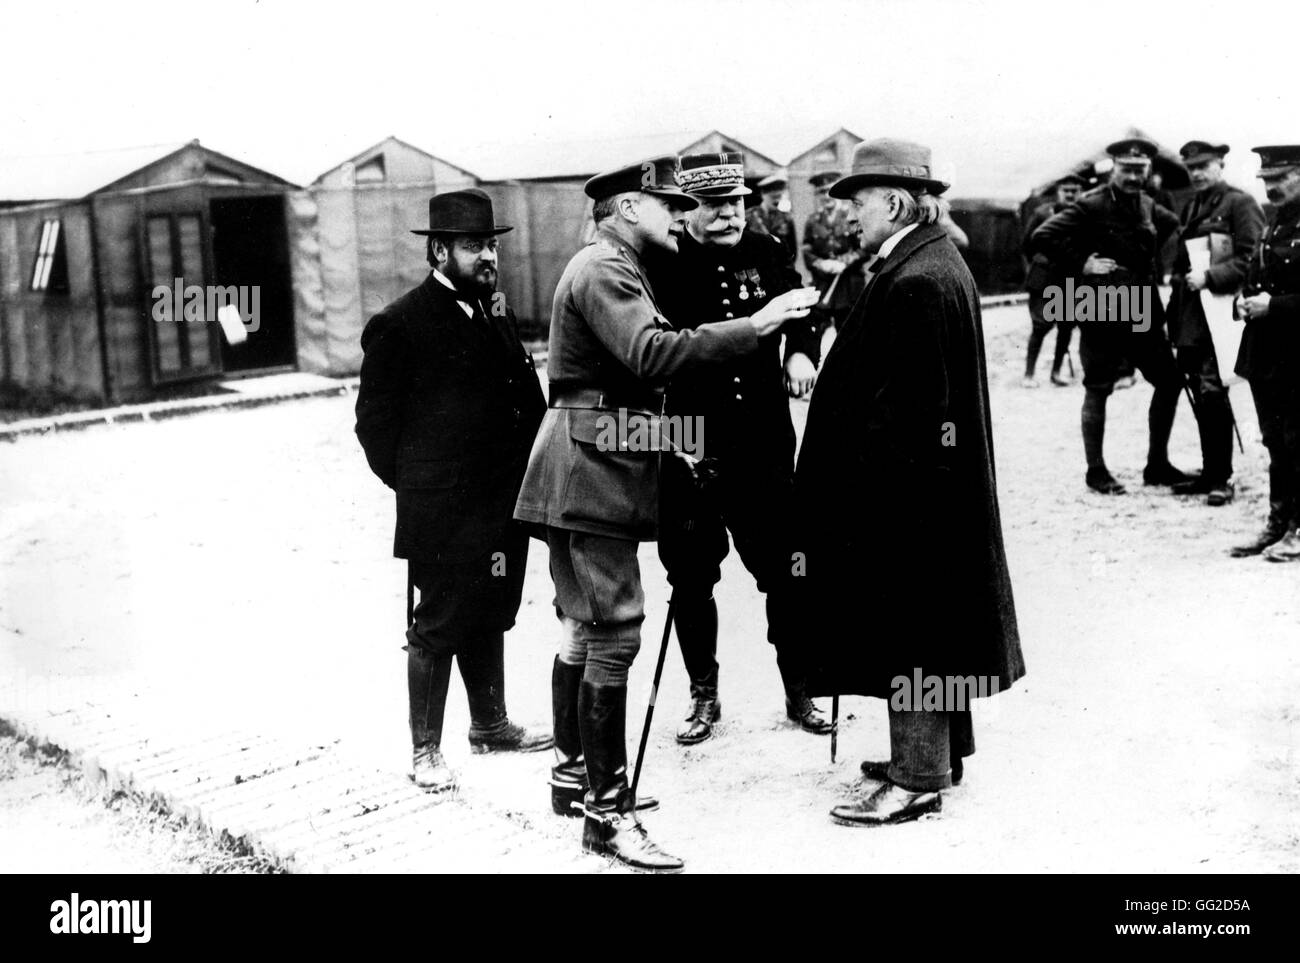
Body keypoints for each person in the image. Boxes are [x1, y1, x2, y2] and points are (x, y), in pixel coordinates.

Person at [513, 155, 813, 871]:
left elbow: (610, 384)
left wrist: (671, 444)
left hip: (588, 461)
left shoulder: (608, 265)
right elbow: (651, 355)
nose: (681, 216)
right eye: (666, 205)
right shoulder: (607, 270)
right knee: (613, 630)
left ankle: (576, 778)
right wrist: (759, 323)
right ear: (624, 208)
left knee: (587, 627)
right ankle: (607, 814)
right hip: (589, 471)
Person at [793, 138, 1024, 826]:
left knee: (913, 622)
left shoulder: (916, 278)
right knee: (929, 621)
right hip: (931, 490)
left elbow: (911, 416)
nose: (849, 220)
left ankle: (917, 774)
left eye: (857, 204)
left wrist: (863, 488)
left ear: (894, 203)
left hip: (910, 494)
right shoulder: (928, 260)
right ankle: (932, 755)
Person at [355, 189, 551, 794]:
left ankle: (490, 725)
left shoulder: (494, 312)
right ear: (438, 251)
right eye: (474, 246)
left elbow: (522, 397)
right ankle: (426, 752)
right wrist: (420, 486)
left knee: (489, 606)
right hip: (441, 508)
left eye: (491, 244)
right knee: (438, 621)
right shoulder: (400, 323)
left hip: (501, 502)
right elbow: (374, 428)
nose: (488, 256)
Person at [642, 151, 830, 746]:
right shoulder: (662, 263)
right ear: (685, 209)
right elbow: (652, 347)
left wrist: (802, 348)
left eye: (736, 202)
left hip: (763, 442)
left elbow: (803, 306)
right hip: (690, 444)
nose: (727, 214)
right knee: (691, 578)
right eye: (711, 204)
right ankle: (704, 695)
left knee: (786, 571)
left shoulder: (767, 250)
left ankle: (800, 689)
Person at [1029, 138, 1190, 495]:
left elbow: (1176, 226)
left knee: (1169, 380)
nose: (1134, 177)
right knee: (1098, 387)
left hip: (1142, 308)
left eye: (1140, 170)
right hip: (1102, 306)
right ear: (1113, 168)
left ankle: (1157, 465)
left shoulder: (1148, 205)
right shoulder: (1090, 205)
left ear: (1148, 171)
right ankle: (1096, 471)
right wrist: (1082, 262)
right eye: (1127, 169)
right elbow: (1042, 236)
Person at [1166, 141, 1266, 507]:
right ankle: (1212, 472)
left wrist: (1210, 277)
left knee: (1215, 391)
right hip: (1195, 318)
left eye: (1204, 166)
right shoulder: (1192, 207)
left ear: (1221, 165)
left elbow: (1253, 258)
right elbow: (1181, 266)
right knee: (1203, 394)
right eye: (1191, 168)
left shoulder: (1239, 204)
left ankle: (1220, 478)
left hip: (1224, 315)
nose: (1197, 173)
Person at [1231, 145, 1300, 561]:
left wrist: (1274, 307)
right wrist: (1246, 300)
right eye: (1267, 181)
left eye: (1281, 179)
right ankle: (1278, 523)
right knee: (1276, 441)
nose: (1271, 188)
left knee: (1299, 441)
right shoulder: (1274, 222)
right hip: (1266, 352)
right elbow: (1260, 274)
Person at [1022, 174, 1085, 387]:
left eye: (1074, 190)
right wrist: (1043, 262)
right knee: (1040, 326)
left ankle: (1056, 372)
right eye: (1065, 190)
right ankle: (1028, 374)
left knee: (1066, 326)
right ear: (1058, 191)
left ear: (1080, 192)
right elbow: (1027, 244)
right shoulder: (1042, 213)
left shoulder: (1083, 216)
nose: (1070, 194)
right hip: (1045, 279)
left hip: (1071, 279)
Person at [802, 170, 861, 331]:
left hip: (848, 285)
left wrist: (845, 262)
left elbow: (864, 249)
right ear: (816, 195)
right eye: (821, 192)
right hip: (823, 285)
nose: (826, 196)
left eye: (829, 190)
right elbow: (806, 251)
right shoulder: (812, 220)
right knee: (818, 330)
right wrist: (821, 263)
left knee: (849, 333)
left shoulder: (851, 216)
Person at [745, 173, 798, 257]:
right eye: (773, 197)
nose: (777, 201)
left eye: (779, 196)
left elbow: (792, 250)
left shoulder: (787, 218)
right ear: (763, 195)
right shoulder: (748, 216)